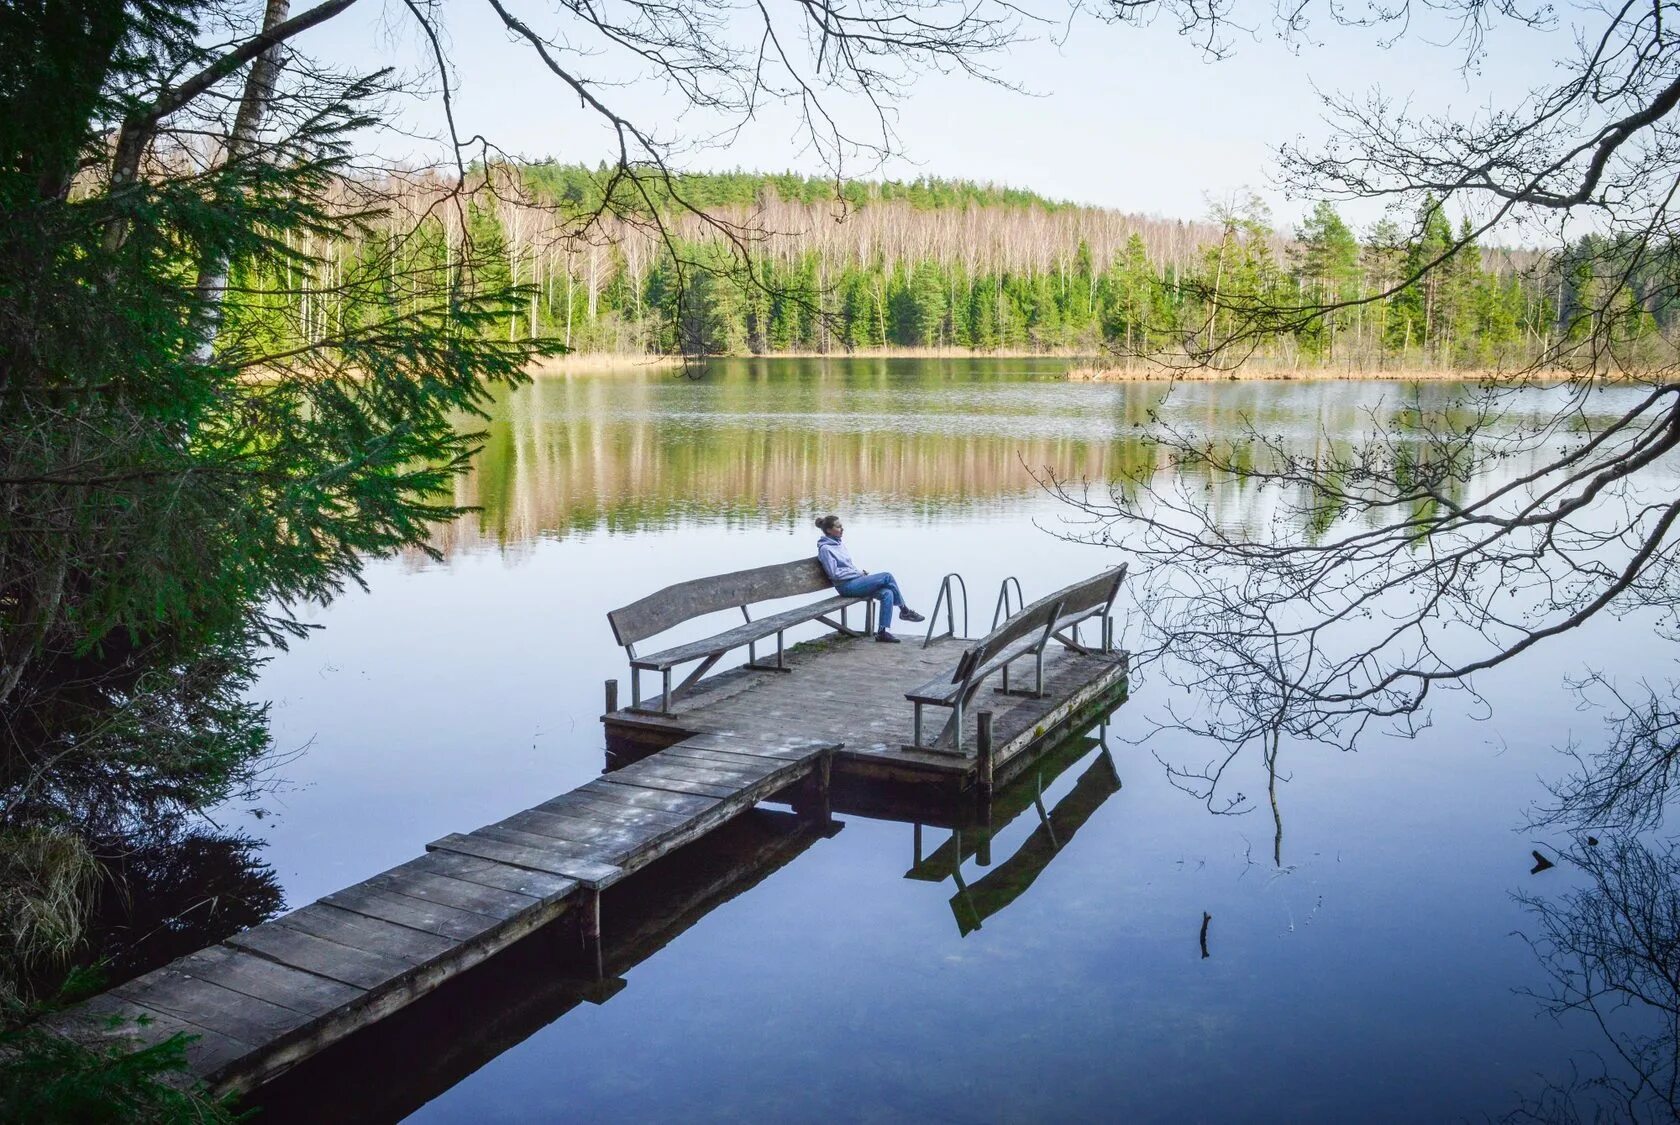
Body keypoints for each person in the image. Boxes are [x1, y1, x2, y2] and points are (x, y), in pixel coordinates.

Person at [814, 514, 924, 642]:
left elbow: (848, 567)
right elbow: (834, 574)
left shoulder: (839, 544)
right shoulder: (825, 549)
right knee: (887, 576)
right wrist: (859, 574)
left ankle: (882, 632)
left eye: (842, 526)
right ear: (828, 530)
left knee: (887, 593)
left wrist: (859, 573)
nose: (842, 529)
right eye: (838, 527)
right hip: (845, 587)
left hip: (855, 582)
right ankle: (904, 610)